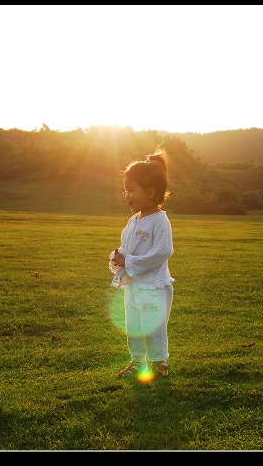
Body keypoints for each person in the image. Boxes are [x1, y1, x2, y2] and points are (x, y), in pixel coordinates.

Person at [109, 148, 174, 379]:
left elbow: (164, 251)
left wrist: (131, 261)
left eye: (130, 190)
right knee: (134, 326)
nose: (126, 196)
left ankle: (159, 364)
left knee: (153, 327)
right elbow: (126, 246)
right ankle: (137, 362)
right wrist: (118, 258)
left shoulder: (159, 221)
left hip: (153, 287)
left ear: (150, 192)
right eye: (125, 190)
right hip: (134, 286)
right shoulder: (133, 221)